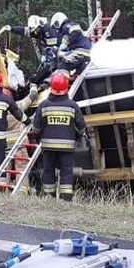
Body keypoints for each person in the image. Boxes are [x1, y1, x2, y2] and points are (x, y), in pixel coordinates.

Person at [32, 71, 86, 201]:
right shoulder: (72, 106)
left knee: (48, 171)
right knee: (67, 171)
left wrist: (38, 139)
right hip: (67, 147)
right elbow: (81, 127)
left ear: (51, 87)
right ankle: (66, 199)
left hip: (48, 147)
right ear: (66, 87)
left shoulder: (44, 105)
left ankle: (49, 197)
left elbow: (36, 127)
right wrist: (77, 136)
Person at [3, 84, 39, 193]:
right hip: (19, 144)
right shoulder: (17, 106)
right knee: (21, 168)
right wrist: (34, 85)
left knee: (5, 170)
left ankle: (5, 191)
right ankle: (22, 193)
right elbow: (32, 96)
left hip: (5, 145)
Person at [51, 12, 92, 78]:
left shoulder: (67, 25)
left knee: (63, 66)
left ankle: (61, 85)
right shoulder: (63, 31)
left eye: (56, 24)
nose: (56, 28)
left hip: (81, 51)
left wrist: (67, 41)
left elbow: (76, 31)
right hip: (83, 53)